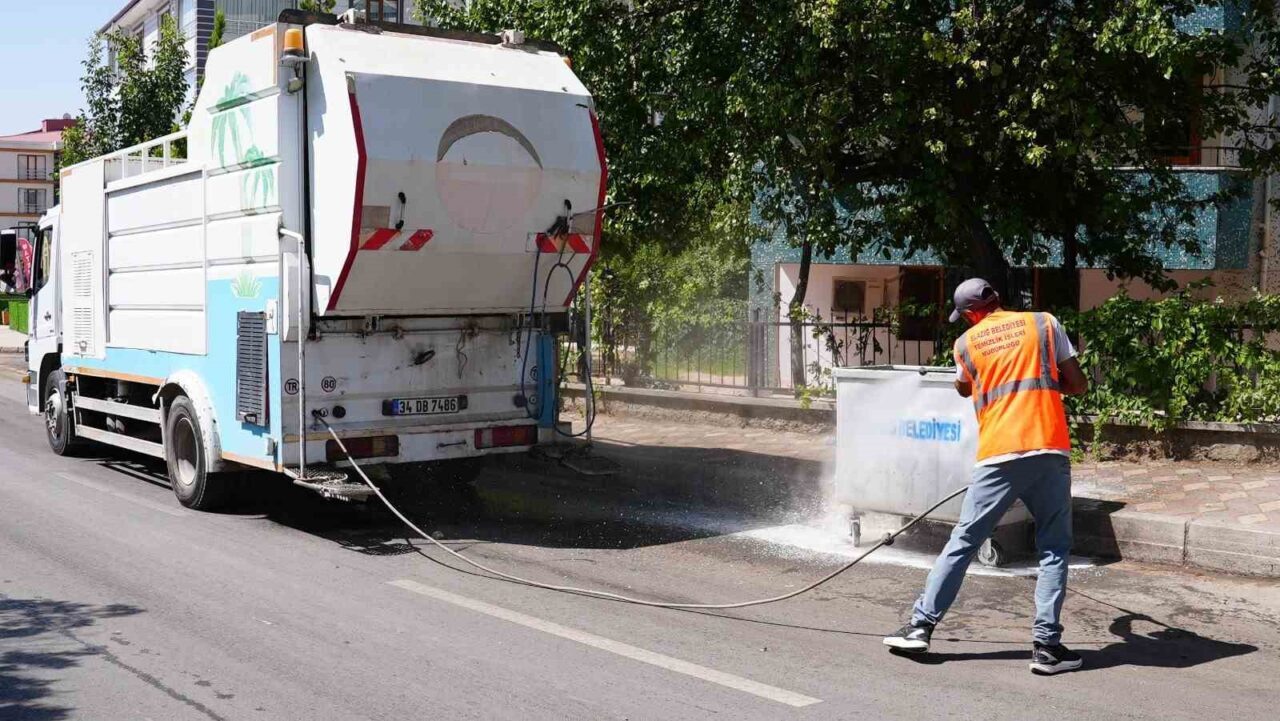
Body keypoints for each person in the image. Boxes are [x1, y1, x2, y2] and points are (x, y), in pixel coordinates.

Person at [882, 277, 1089, 675]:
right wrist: (1047, 382)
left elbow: (963, 388)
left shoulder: (965, 344)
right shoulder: (1044, 323)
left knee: (964, 541)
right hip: (1048, 448)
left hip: (998, 455)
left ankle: (920, 627)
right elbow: (1078, 384)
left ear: (970, 314)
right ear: (997, 299)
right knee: (1053, 548)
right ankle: (1047, 648)